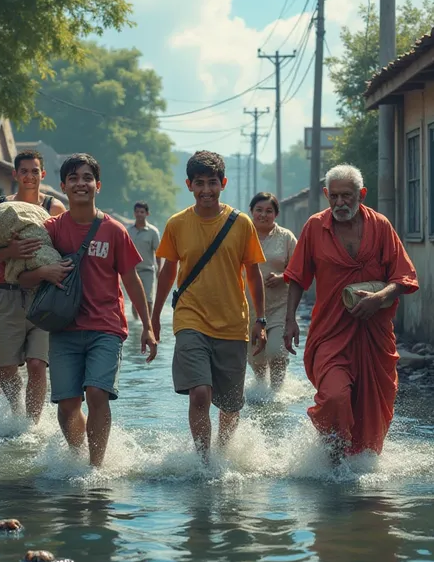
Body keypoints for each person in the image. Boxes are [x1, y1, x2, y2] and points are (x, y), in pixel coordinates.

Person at [18, 153, 157, 468]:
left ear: (98, 185)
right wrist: (44, 273)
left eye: (87, 178)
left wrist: (147, 325)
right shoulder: (51, 229)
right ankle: (79, 457)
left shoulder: (114, 230)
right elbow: (21, 276)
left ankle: (95, 468)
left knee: (96, 392)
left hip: (105, 327)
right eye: (74, 178)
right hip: (64, 328)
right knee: (68, 405)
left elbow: (132, 281)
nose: (81, 183)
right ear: (64, 187)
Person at [283, 164, 419, 463]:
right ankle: (332, 459)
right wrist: (290, 319)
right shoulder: (315, 227)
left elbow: (404, 277)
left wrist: (379, 298)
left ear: (362, 194)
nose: (340, 203)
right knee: (334, 397)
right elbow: (296, 277)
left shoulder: (380, 226)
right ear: (325, 195)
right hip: (330, 333)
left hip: (375, 335)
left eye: (347, 195)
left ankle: (359, 468)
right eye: (334, 196)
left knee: (373, 409)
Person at [151, 150, 267, 461]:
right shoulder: (177, 224)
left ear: (223, 183)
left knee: (230, 405)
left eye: (212, 183)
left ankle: (223, 454)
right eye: (199, 183)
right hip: (191, 318)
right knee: (200, 393)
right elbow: (168, 271)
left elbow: (253, 273)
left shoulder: (242, 223)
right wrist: (154, 316)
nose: (206, 190)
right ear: (189, 185)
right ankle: (204, 462)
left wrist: (262, 320)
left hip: (233, 322)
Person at [0, 150, 66, 423]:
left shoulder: (54, 209)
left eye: (34, 171)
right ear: (15, 174)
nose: (29, 176)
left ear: (43, 174)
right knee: (6, 369)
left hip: (43, 296)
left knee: (38, 364)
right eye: (23, 171)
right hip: (7, 295)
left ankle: (31, 427)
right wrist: (10, 249)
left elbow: (65, 254)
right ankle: (16, 415)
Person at [247, 192, 297, 391]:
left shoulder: (286, 237)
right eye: (258, 210)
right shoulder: (243, 235)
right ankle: (261, 393)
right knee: (257, 359)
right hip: (249, 307)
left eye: (269, 211)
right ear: (251, 211)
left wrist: (283, 277)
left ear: (276, 214)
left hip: (279, 307)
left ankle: (277, 394)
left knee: (276, 351)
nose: (263, 215)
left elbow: (300, 269)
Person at [128, 202, 161, 319]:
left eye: (142, 212)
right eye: (137, 212)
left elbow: (158, 252)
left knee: (148, 299)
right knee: (135, 299)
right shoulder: (128, 231)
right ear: (134, 213)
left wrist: (159, 269)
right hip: (132, 270)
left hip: (148, 270)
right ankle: (136, 323)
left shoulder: (153, 232)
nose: (139, 214)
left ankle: (148, 324)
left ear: (147, 214)